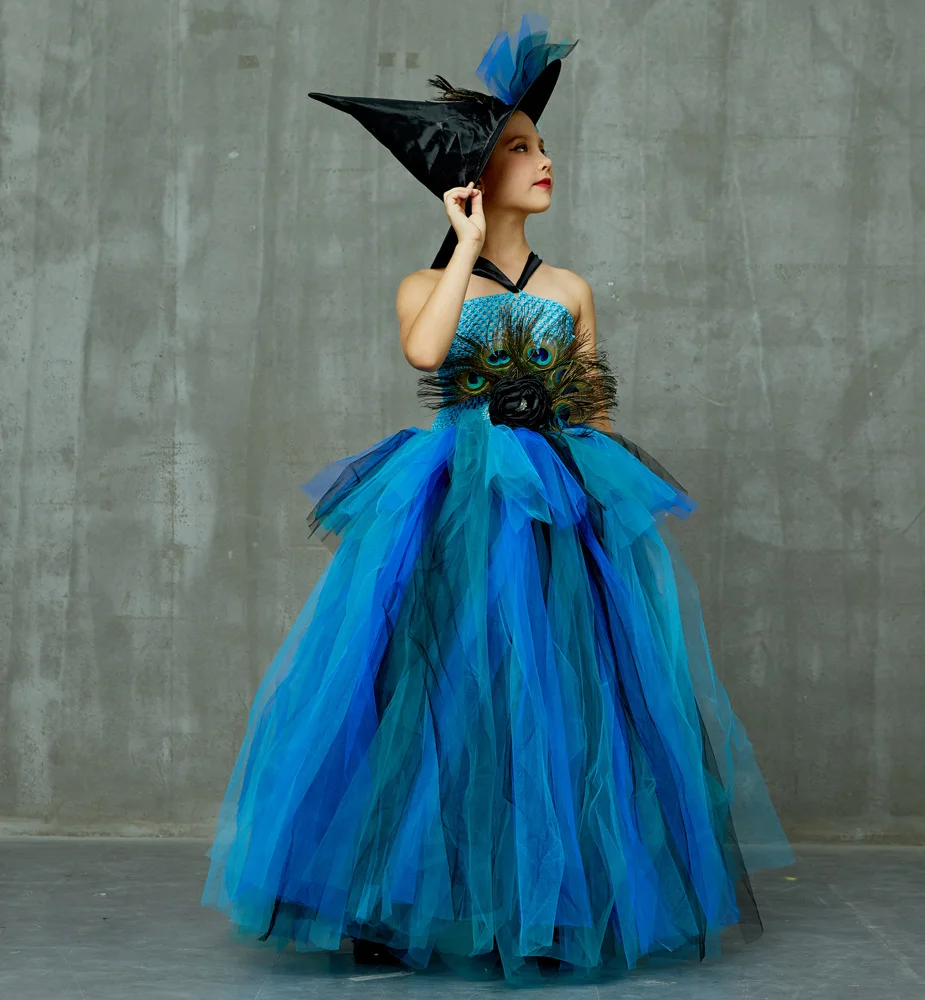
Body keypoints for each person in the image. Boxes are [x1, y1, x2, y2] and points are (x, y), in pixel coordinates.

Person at [200, 13, 795, 985]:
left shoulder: (569, 286)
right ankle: (412, 899)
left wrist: (604, 504)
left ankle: (553, 899)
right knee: (451, 683)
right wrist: (466, 241)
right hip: (461, 499)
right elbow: (426, 351)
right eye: (520, 148)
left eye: (541, 144)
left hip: (556, 497)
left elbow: (592, 402)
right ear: (475, 176)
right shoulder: (427, 284)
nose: (543, 160)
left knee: (562, 691)